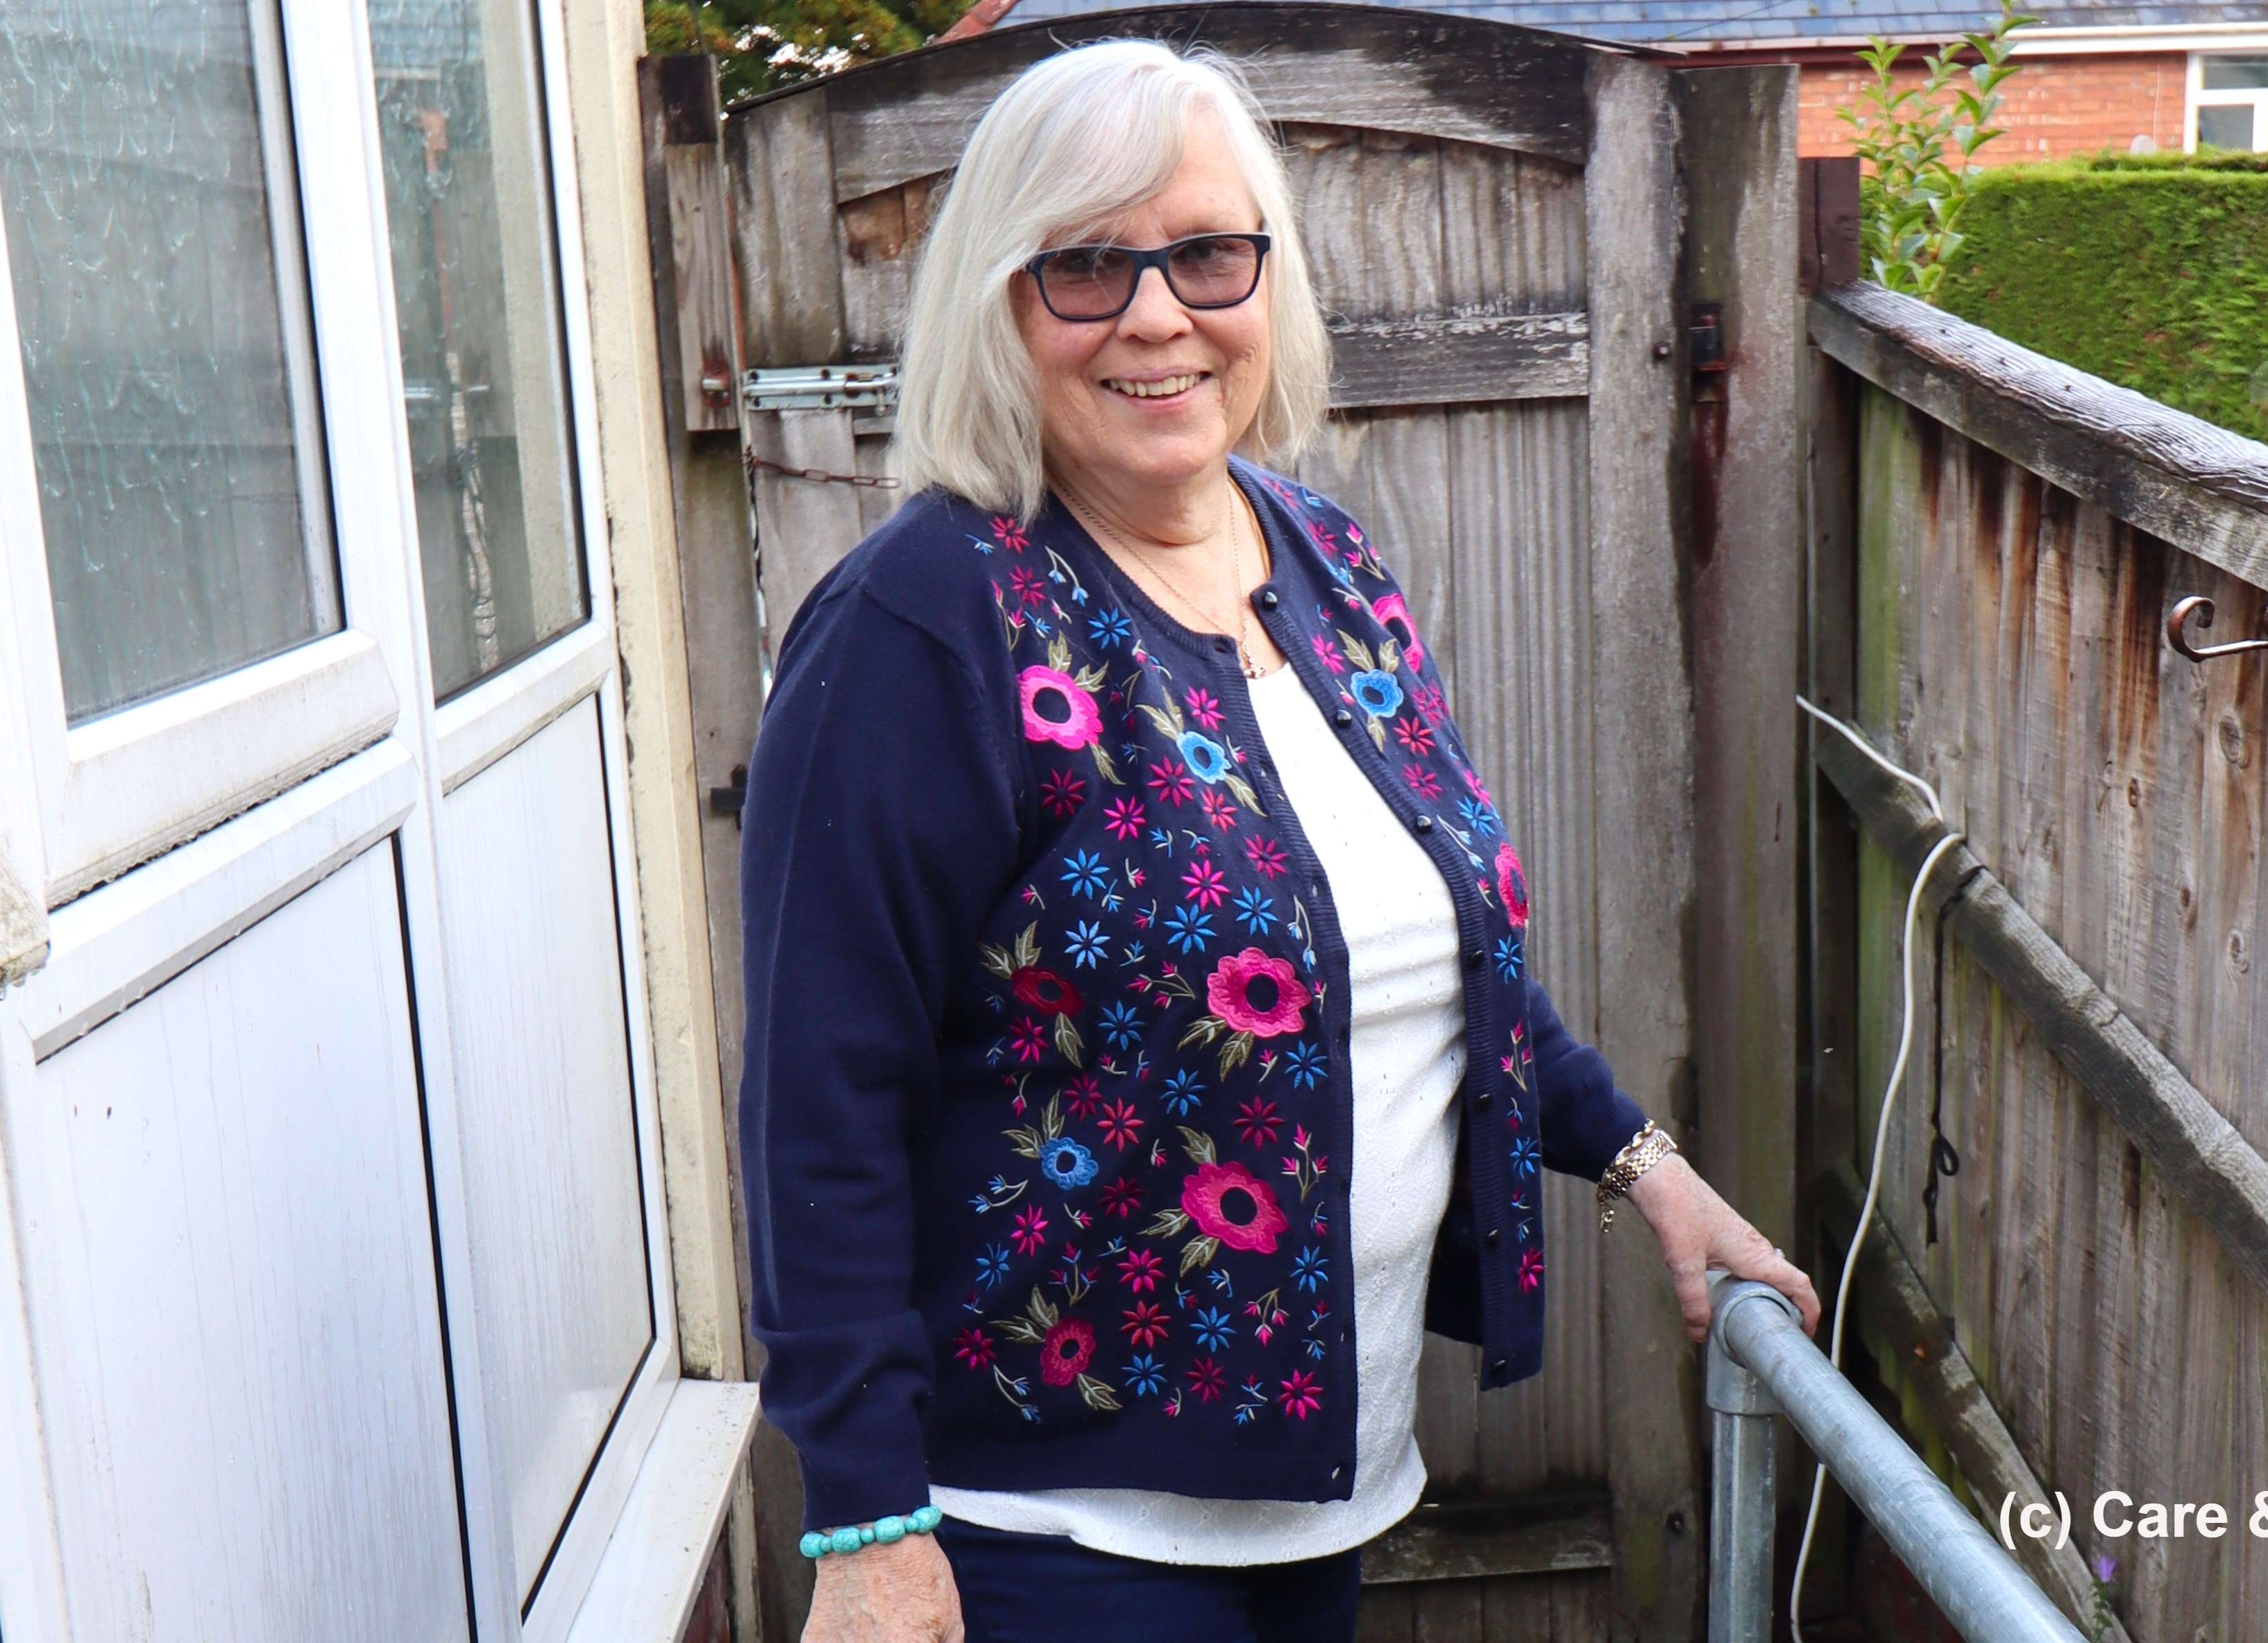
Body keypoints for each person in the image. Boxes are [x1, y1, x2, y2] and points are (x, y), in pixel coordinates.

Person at [737, 38, 1823, 1643]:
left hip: (1325, 1494)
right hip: (1043, 1536)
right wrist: (867, 1525)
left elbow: (1425, 946)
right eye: (1085, 266)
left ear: (1269, 276)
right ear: (997, 301)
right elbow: (819, 1096)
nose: (1157, 313)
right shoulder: (926, 623)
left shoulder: (1318, 558)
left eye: (1202, 252)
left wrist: (1644, 1167)